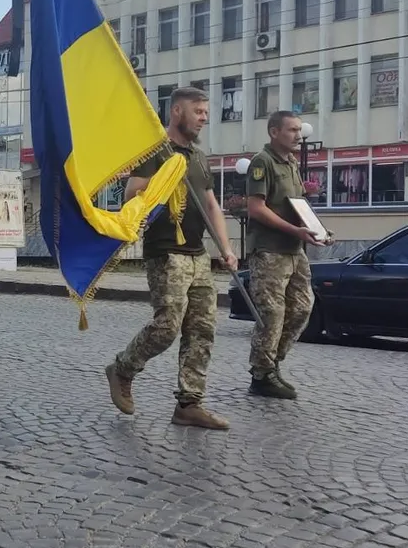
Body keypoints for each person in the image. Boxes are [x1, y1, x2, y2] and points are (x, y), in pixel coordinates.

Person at [105, 87, 236, 430]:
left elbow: (211, 205)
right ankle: (122, 368)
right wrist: (164, 179)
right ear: (177, 112)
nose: (204, 118)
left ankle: (189, 404)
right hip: (166, 251)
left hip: (198, 254)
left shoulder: (198, 155)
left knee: (202, 330)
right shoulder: (155, 151)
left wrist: (226, 248)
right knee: (167, 327)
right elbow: (132, 194)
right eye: (198, 111)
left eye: (206, 112)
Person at [245, 110, 326, 400]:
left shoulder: (291, 163)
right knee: (272, 312)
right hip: (269, 250)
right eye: (291, 130)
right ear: (274, 132)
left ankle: (272, 363)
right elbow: (256, 207)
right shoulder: (262, 162)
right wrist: (296, 229)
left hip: (294, 249)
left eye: (298, 130)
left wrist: (317, 230)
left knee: (303, 307)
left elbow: (297, 204)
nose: (297, 135)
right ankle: (262, 374)